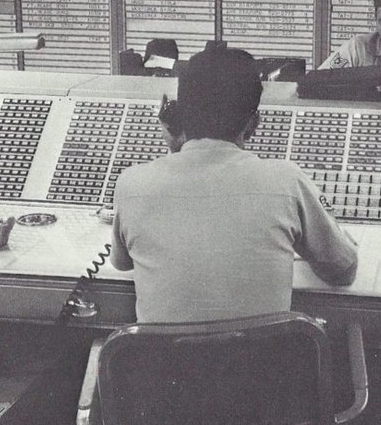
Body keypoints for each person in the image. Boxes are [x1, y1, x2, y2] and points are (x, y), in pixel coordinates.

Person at [111, 42, 358, 323]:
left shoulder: (132, 184)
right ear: (254, 124)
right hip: (260, 367)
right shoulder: (287, 181)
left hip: (168, 367)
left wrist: (176, 148)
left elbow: (121, 263)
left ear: (179, 115)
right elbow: (344, 269)